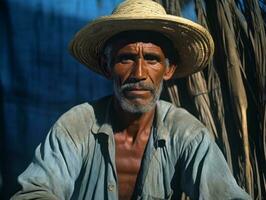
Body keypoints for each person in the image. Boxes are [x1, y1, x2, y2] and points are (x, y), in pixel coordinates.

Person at [12, 0, 251, 199]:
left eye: (151, 59)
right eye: (126, 58)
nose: (138, 74)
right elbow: (35, 192)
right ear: (107, 67)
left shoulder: (186, 134)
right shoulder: (77, 126)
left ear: (168, 70)